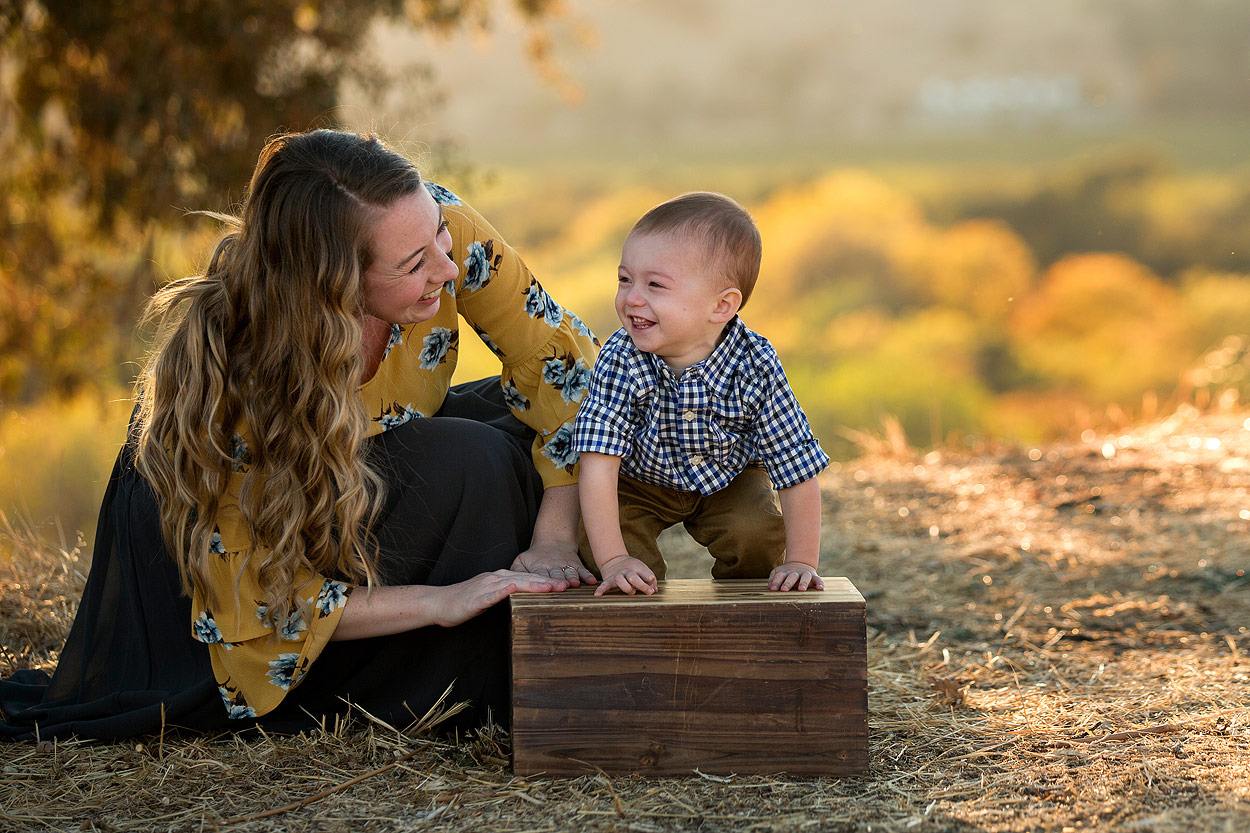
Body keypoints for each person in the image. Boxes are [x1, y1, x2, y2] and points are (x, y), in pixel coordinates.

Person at [0, 128, 600, 741]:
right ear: (334, 285)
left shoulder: (418, 220)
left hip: (361, 459)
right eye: (415, 264)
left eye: (439, 237)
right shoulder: (242, 375)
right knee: (479, 461)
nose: (447, 267)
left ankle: (537, 642)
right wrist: (444, 602)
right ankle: (437, 680)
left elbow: (564, 368)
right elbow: (267, 605)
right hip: (223, 560)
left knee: (519, 425)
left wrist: (554, 536)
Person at [573, 192, 829, 596]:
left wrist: (802, 560)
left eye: (655, 285)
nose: (632, 298)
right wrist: (613, 559)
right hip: (637, 481)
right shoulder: (621, 357)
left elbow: (796, 464)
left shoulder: (755, 363)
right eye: (625, 279)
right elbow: (598, 462)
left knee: (757, 532)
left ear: (722, 305)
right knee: (598, 535)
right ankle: (640, 608)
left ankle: (745, 609)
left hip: (728, 477)